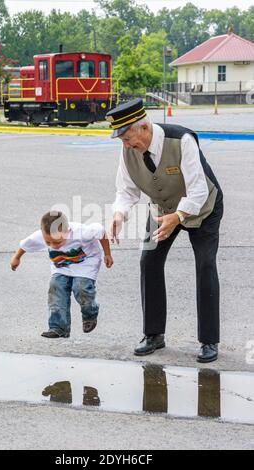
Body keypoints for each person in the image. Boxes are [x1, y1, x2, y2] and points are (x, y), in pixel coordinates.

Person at [107, 99, 223, 363]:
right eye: (122, 140)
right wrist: (118, 214)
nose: (125, 145)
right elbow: (126, 190)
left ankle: (209, 341)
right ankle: (154, 335)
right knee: (149, 260)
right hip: (162, 209)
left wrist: (179, 216)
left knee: (205, 264)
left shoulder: (181, 141)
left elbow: (198, 190)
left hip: (203, 208)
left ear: (144, 128)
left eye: (127, 138)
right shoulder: (128, 150)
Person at [10, 210, 113, 338]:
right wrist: (17, 258)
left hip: (86, 263)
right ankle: (58, 327)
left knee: (81, 287)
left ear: (67, 231)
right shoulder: (42, 235)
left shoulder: (82, 233)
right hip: (61, 266)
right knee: (56, 288)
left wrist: (107, 254)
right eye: (48, 243)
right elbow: (25, 245)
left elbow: (101, 232)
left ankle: (89, 315)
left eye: (57, 242)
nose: (53, 246)